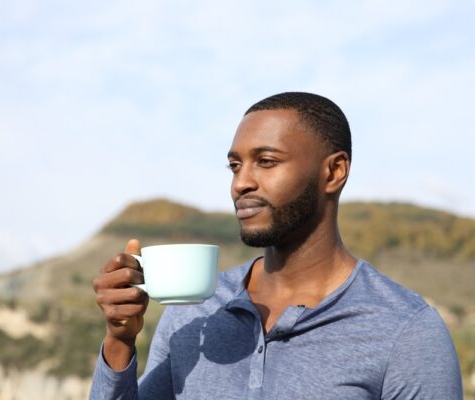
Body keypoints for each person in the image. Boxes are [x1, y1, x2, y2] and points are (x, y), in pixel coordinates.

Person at [90, 92, 463, 399]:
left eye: (266, 161)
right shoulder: (194, 314)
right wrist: (120, 341)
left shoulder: (405, 331)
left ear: (334, 172)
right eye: (235, 166)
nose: (241, 183)